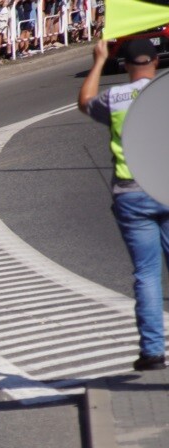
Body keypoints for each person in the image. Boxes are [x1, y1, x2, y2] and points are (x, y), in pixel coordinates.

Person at [79, 39, 169, 371]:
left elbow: (85, 101)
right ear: (156, 62)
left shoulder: (115, 98)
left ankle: (153, 352)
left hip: (131, 193)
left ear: (126, 66)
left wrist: (99, 61)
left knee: (147, 274)